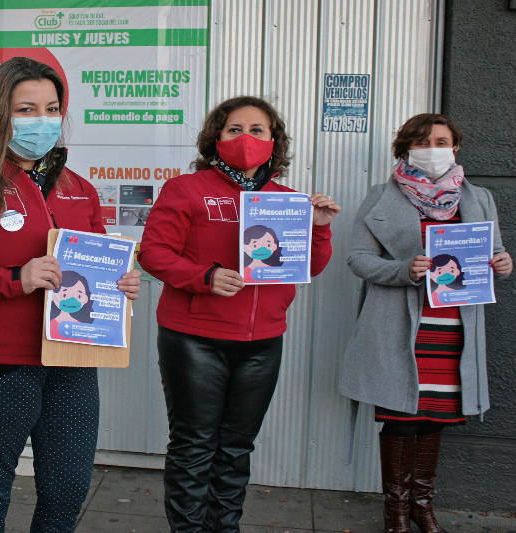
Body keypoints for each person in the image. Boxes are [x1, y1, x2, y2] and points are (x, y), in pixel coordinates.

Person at [0, 56, 141, 532]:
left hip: (71, 360)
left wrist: (119, 286)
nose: (42, 120)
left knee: (67, 491)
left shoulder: (77, 188)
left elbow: (97, 263)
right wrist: (16, 278)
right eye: (26, 109)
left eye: (51, 107)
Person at [138, 96, 341, 532]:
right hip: (195, 338)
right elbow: (154, 253)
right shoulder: (186, 190)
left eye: (257, 130)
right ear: (216, 137)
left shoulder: (287, 200)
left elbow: (308, 265)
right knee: (194, 446)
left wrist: (319, 227)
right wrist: (204, 276)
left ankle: (224, 528)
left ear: (273, 141)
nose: (245, 138)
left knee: (236, 447)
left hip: (262, 342)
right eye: (234, 129)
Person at [339, 113, 513, 533]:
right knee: (401, 416)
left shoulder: (480, 198)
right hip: (398, 326)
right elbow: (357, 259)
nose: (433, 148)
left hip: (454, 326)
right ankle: (396, 511)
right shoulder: (382, 195)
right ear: (406, 148)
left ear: (455, 147)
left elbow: (493, 251)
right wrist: (404, 270)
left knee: (434, 416)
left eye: (442, 140)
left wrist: (502, 263)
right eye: (423, 141)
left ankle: (422, 505)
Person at [49, 270, 95, 341]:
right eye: (64, 294)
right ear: (54, 295)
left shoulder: (83, 331)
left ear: (85, 299)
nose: (71, 300)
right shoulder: (48, 326)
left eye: (79, 296)